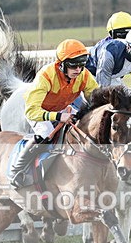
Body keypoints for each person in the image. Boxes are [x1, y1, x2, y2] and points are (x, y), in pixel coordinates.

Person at [8, 39, 99, 188]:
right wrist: (57, 117)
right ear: (62, 64)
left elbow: (95, 96)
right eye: (73, 65)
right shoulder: (46, 76)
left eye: (81, 65)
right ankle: (17, 169)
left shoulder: (84, 75)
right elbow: (31, 111)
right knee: (46, 131)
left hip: (62, 108)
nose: (78, 70)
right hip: (39, 110)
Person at [86, 25, 131, 113]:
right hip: (87, 71)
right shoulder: (110, 54)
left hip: (112, 76)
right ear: (128, 47)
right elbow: (102, 90)